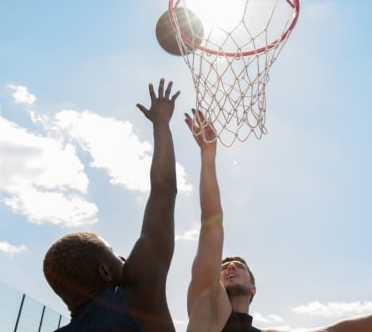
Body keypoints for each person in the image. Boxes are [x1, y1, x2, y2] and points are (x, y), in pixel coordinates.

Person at [184, 110, 372, 332]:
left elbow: (333, 331)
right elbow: (211, 224)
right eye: (224, 267)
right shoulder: (207, 303)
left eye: (239, 266)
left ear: (252, 289)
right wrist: (208, 155)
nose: (231, 266)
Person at [43, 79, 180, 332]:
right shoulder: (135, 298)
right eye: (113, 253)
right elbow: (164, 191)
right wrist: (161, 125)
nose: (123, 258)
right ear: (105, 272)